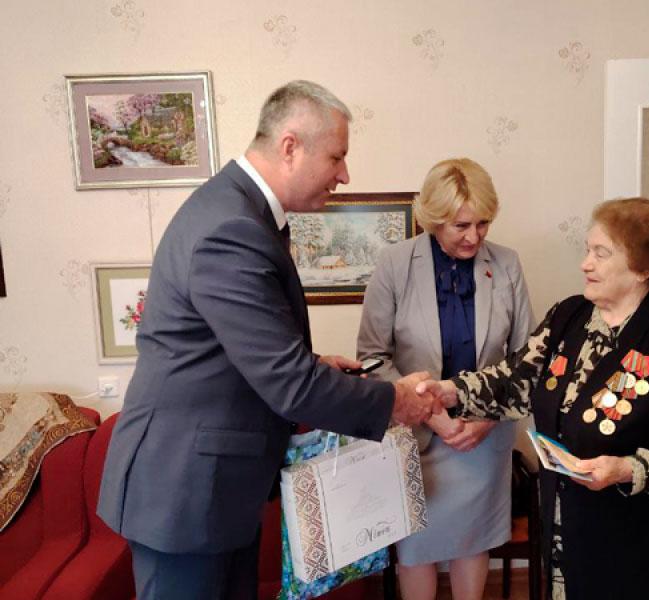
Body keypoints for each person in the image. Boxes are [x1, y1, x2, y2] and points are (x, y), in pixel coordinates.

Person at [97, 80, 439, 600]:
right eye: (337, 157)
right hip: (185, 493)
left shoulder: (239, 210)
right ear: (290, 146)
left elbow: (238, 345)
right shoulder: (231, 227)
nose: (345, 175)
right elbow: (289, 384)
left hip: (215, 487)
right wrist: (395, 401)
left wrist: (315, 362)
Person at [418, 197, 649, 600]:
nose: (585, 264)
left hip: (644, 549)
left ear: (644, 268)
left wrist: (626, 469)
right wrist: (449, 391)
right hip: (571, 532)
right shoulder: (569, 317)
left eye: (601, 253)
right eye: (587, 250)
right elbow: (517, 380)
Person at [357, 158, 535, 600]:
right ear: (433, 220)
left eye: (483, 223)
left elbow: (527, 359)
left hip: (482, 439)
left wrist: (487, 420)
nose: (474, 236)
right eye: (461, 226)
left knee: (472, 543)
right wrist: (432, 416)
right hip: (415, 435)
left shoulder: (507, 264)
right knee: (416, 549)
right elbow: (372, 358)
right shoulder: (395, 263)